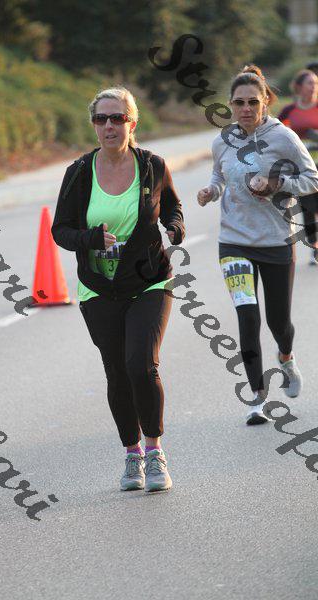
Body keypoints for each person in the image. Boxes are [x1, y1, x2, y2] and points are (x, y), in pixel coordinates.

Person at [52, 87, 185, 491]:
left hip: (149, 280)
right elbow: (60, 230)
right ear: (94, 124)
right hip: (100, 288)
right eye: (101, 119)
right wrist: (90, 239)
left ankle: (155, 452)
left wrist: (175, 227)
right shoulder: (79, 172)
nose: (109, 126)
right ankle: (132, 455)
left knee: (141, 365)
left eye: (117, 118)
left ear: (132, 122)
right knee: (117, 372)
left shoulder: (152, 166)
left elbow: (173, 206)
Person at [197, 65, 318, 425]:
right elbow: (219, 173)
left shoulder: (284, 137)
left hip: (276, 241)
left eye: (253, 101)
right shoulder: (223, 141)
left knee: (279, 322)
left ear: (265, 101)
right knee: (247, 316)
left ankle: (286, 357)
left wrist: (276, 184)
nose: (246, 108)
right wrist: (211, 190)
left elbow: (312, 179)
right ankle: (257, 397)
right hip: (233, 242)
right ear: (231, 105)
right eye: (239, 102)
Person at [278, 69, 318, 265]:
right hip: (301, 169)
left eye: (316, 83)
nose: (314, 87)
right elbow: (277, 133)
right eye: (310, 83)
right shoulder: (289, 111)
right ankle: (315, 247)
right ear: (299, 87)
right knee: (308, 209)